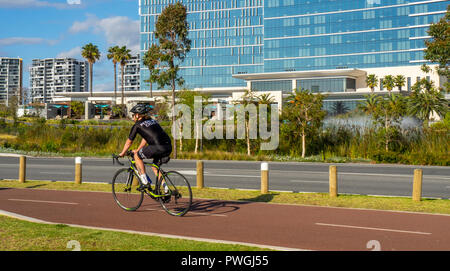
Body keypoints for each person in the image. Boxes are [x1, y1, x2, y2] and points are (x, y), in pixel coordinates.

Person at [118, 104, 172, 189]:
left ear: (138, 115)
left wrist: (122, 153)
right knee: (155, 167)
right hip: (168, 146)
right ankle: (166, 190)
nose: (133, 117)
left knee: (137, 156)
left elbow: (129, 141)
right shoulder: (152, 121)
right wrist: (139, 150)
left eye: (133, 115)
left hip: (157, 147)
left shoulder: (137, 125)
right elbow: (146, 139)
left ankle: (145, 182)